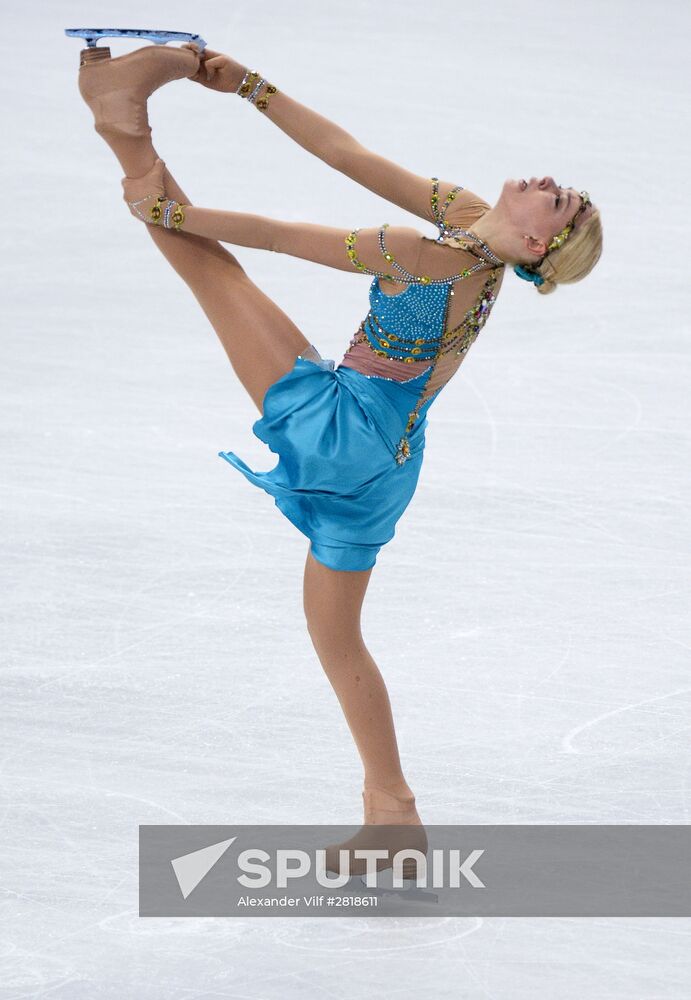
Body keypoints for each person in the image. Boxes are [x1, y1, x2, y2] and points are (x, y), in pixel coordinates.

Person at [73, 39, 603, 879]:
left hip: (347, 432)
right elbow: (345, 153)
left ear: (538, 246)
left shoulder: (435, 252)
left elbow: (286, 236)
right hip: (384, 452)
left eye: (561, 201)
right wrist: (247, 85)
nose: (550, 183)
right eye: (560, 188)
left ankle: (119, 124)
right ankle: (393, 816)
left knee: (211, 273)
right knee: (336, 635)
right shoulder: (463, 218)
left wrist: (171, 215)